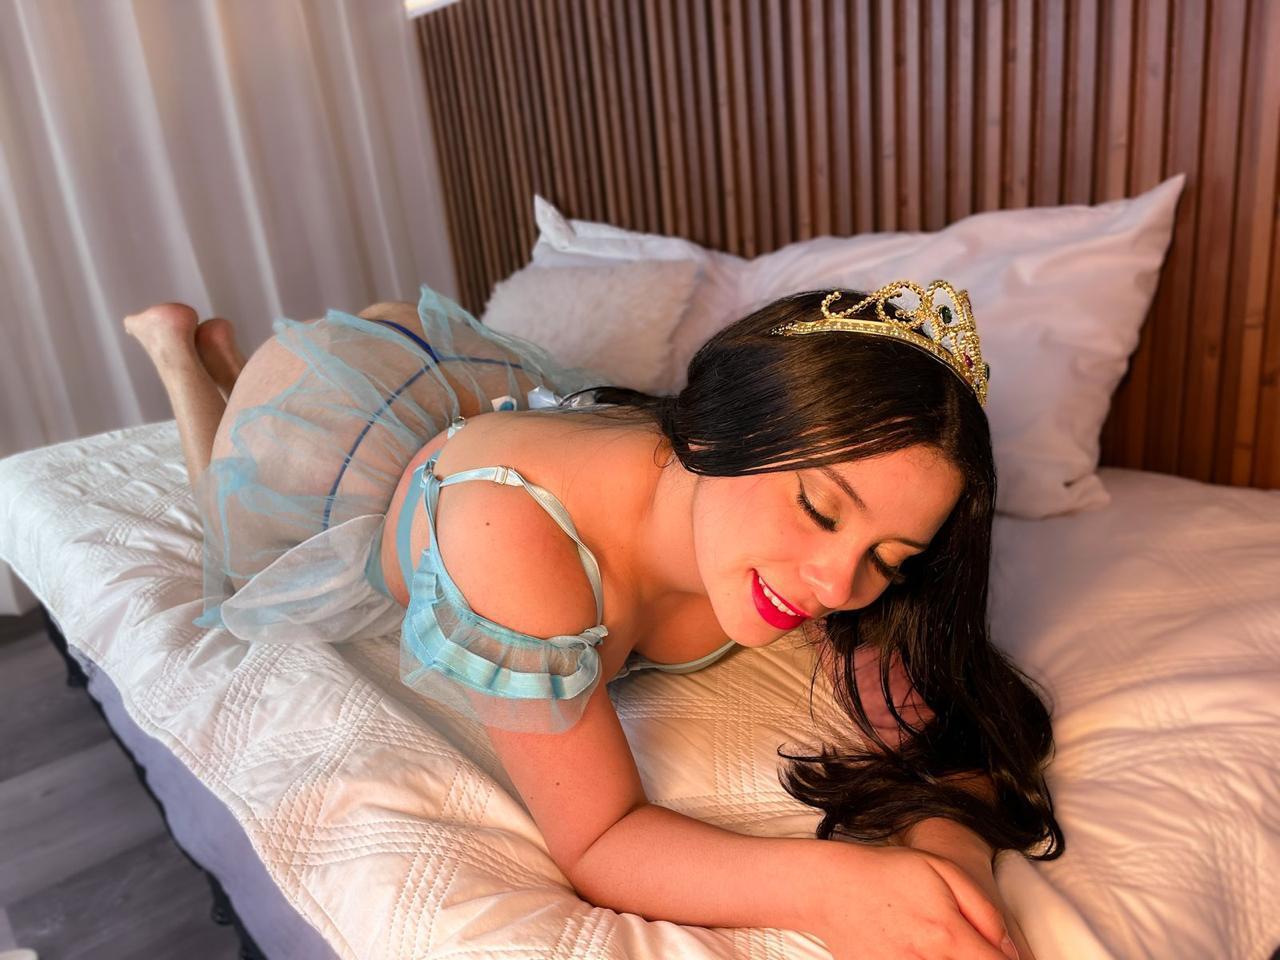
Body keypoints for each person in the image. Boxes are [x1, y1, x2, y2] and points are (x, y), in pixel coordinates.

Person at [124, 280, 1062, 960]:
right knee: (234, 531)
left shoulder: (824, 556)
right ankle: (188, 364)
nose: (836, 583)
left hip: (486, 397)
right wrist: (837, 890)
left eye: (891, 558)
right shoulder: (510, 534)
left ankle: (216, 360)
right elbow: (599, 838)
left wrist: (952, 871)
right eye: (819, 511)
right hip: (348, 437)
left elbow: (939, 726)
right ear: (726, 428)